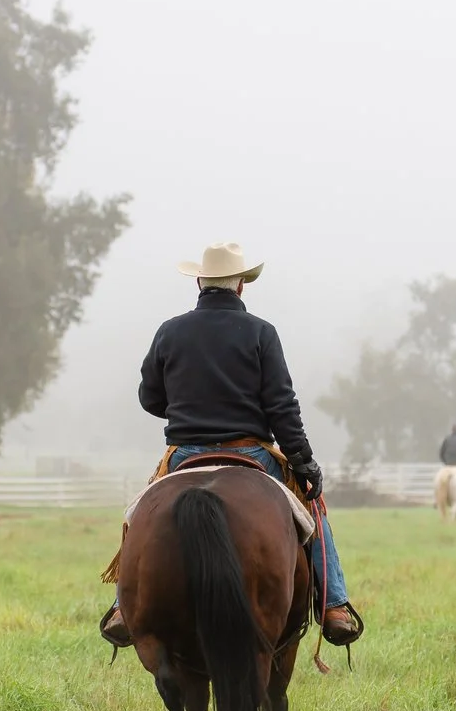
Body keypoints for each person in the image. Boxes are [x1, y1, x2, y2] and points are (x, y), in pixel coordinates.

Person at [100, 242, 363, 648]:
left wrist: (186, 408)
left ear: (201, 282)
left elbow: (149, 397)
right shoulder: (262, 332)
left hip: (185, 454)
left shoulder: (170, 330)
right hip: (253, 451)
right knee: (314, 510)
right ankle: (334, 605)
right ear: (241, 285)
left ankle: (122, 606)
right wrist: (305, 463)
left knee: (139, 516)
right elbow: (281, 406)